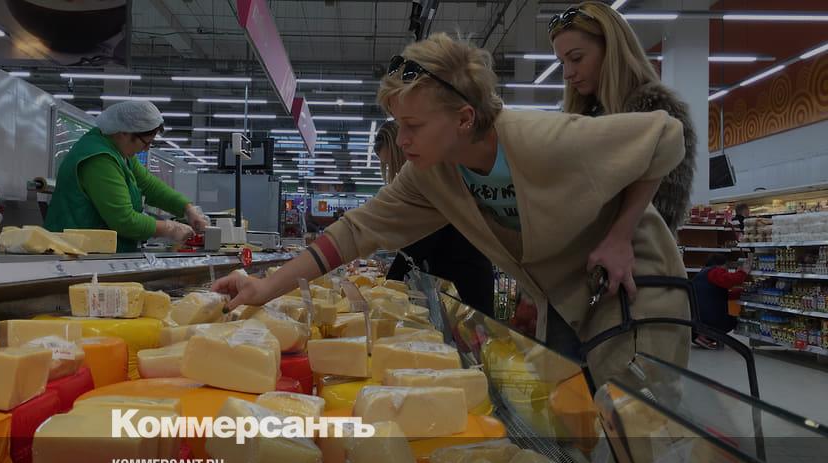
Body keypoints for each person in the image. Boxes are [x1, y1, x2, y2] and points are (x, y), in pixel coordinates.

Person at [213, 33, 688, 394]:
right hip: (568, 300)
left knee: (637, 440)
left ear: (464, 118)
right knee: (576, 427)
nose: (402, 140)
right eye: (399, 125)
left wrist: (620, 234)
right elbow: (355, 231)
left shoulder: (540, 139)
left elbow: (666, 136)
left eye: (413, 125)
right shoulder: (432, 174)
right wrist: (264, 287)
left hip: (633, 289)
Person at [550, 1, 697, 234]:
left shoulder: (657, 112)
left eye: (576, 58)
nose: (567, 73)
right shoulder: (580, 115)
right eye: (562, 62)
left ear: (611, 50)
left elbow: (659, 214)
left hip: (630, 253)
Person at [44, 101, 208, 253]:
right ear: (124, 132)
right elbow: (124, 220)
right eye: (145, 143)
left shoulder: (120, 151)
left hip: (98, 253)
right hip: (78, 254)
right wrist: (169, 228)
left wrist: (187, 208)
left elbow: (150, 186)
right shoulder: (100, 159)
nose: (147, 149)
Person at [375, 120, 495, 316]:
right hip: (447, 280)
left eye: (391, 164)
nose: (391, 171)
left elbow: (420, 241)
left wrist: (389, 284)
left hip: (466, 278)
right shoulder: (420, 183)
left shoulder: (431, 177)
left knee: (472, 333)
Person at [692, 254, 751, 349]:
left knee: (728, 320)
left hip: (699, 317)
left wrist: (743, 293)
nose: (726, 270)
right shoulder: (715, 271)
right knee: (732, 321)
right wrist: (743, 272)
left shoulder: (702, 274)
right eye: (726, 267)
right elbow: (730, 280)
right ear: (722, 265)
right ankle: (704, 336)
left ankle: (700, 335)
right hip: (711, 318)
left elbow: (718, 295)